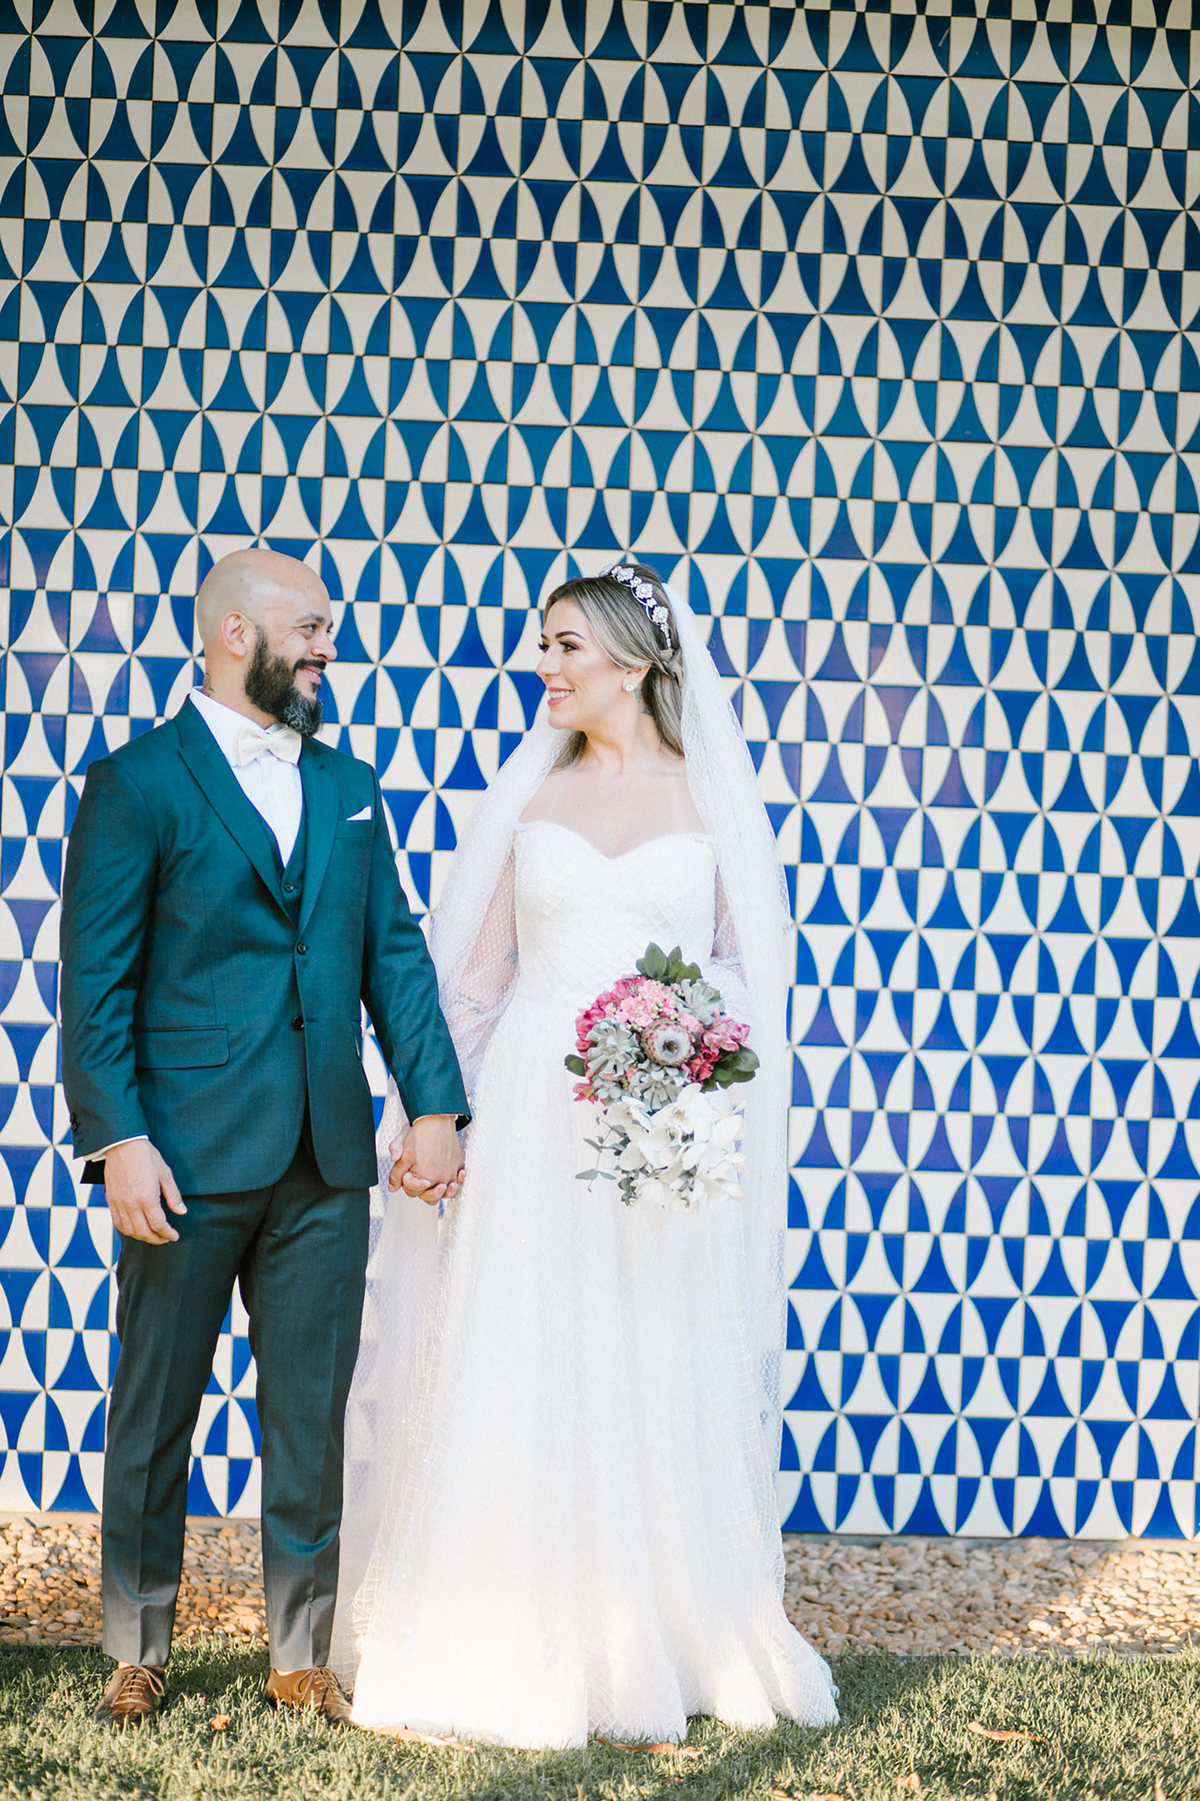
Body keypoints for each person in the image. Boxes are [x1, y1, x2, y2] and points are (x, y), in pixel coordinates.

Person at [331, 562, 838, 1747]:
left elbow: (736, 981)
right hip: (531, 1114)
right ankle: (510, 1621)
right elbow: (476, 979)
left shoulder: (710, 802)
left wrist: (680, 1069)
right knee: (527, 1347)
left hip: (658, 1123)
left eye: (564, 646)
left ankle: (663, 1625)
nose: (544, 667)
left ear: (632, 662)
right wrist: (434, 1114)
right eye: (543, 645)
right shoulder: (529, 802)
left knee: (652, 1349)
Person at [59, 548, 468, 1728]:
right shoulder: (136, 782)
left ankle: (299, 1653)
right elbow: (95, 982)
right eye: (315, 628)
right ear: (236, 633)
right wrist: (117, 1136)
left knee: (308, 1412)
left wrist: (434, 1105)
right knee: (153, 1408)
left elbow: (392, 952)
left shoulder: (349, 784)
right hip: (180, 1157)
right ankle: (137, 1642)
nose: (331, 648)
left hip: (326, 1160)